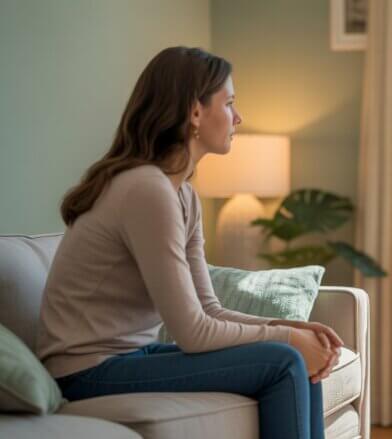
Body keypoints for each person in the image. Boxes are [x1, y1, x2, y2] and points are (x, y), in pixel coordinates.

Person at [36, 46, 337, 439]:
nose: (238, 117)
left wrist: (288, 326)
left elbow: (208, 308)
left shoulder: (182, 195)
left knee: (292, 353)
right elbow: (193, 333)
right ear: (195, 113)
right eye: (229, 103)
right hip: (85, 373)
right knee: (284, 361)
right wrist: (287, 339)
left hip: (128, 357)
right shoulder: (145, 189)